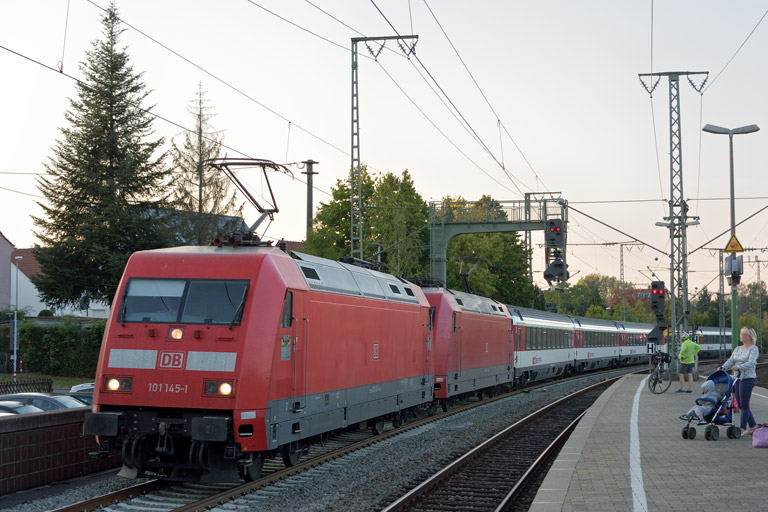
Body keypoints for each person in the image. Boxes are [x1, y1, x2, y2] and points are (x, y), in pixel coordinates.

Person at [719, 326, 760, 435]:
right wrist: (722, 368)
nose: (741, 336)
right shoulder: (737, 348)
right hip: (737, 379)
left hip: (748, 378)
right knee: (741, 405)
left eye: (744, 334)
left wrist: (739, 367)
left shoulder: (754, 348)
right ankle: (753, 426)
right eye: (741, 333)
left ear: (750, 337)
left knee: (744, 404)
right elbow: (731, 360)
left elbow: (751, 362)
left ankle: (742, 428)